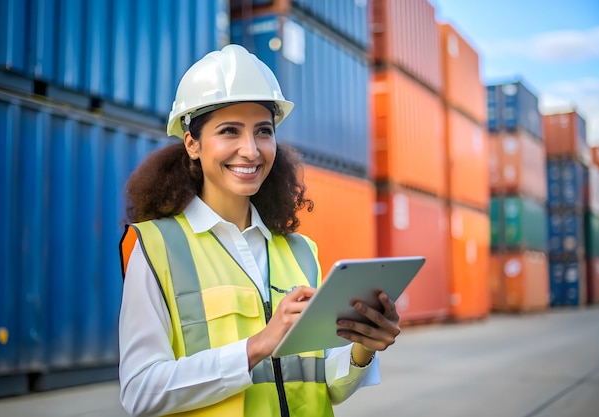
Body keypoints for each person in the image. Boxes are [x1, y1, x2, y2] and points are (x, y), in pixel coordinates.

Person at [118, 44, 402, 417]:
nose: (251, 150)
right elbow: (141, 392)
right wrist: (256, 347)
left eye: (263, 132)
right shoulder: (156, 248)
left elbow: (325, 385)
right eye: (230, 131)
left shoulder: (301, 251)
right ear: (192, 144)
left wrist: (363, 348)